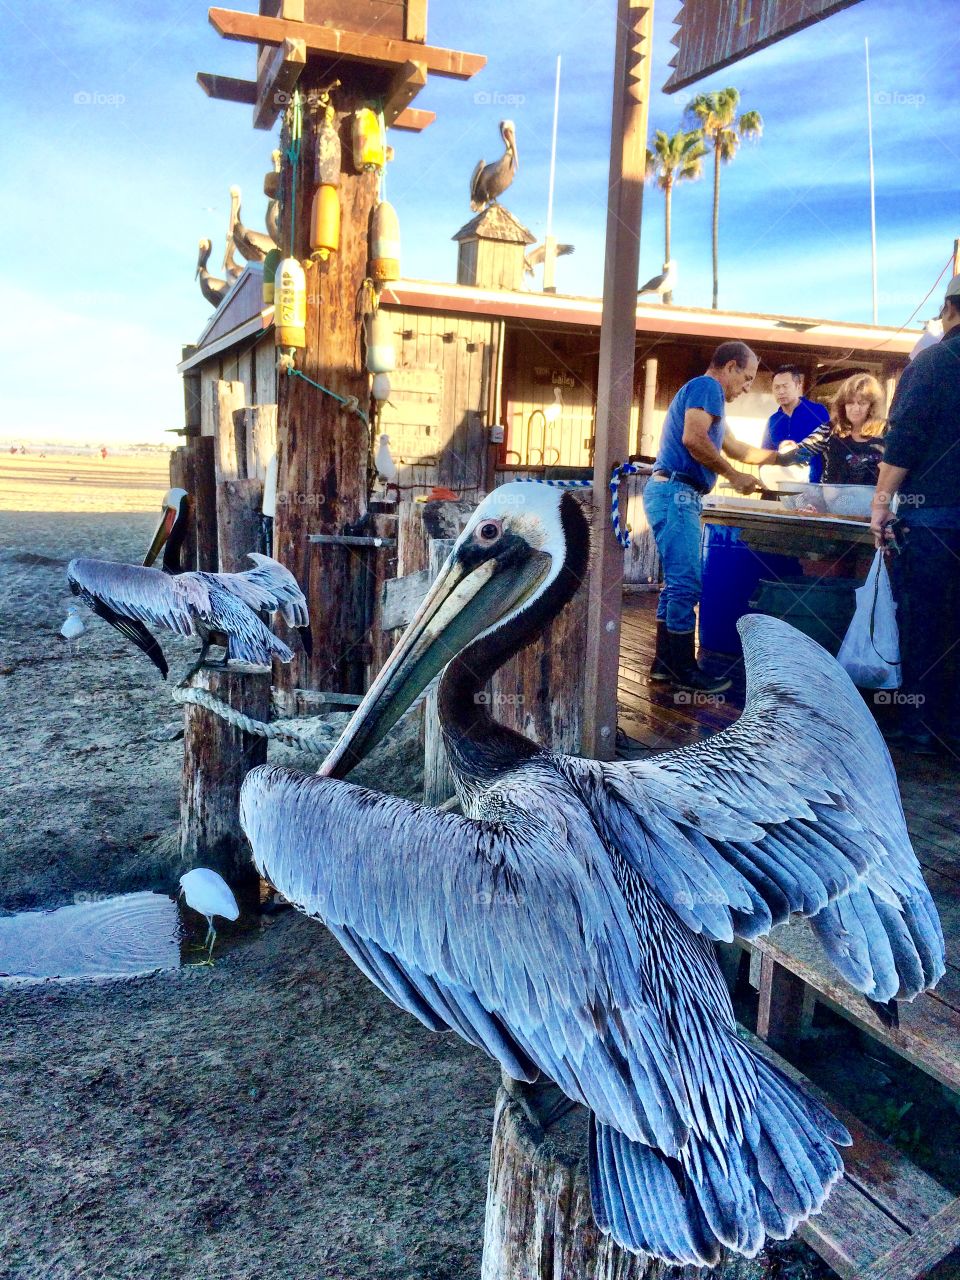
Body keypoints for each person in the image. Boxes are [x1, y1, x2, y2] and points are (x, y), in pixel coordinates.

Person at [643, 340, 780, 693]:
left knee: (675, 583)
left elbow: (737, 448)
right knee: (687, 583)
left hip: (671, 492)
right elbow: (693, 439)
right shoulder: (707, 387)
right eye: (747, 378)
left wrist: (783, 458)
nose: (748, 387)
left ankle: (663, 664)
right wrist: (734, 476)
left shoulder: (709, 399)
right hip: (678, 493)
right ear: (730, 366)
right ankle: (686, 672)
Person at [871, 273, 960, 754]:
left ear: (948, 310)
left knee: (927, 622)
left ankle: (921, 726)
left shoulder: (932, 364)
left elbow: (903, 440)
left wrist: (880, 506)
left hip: (937, 524)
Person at [777, 372, 887, 486]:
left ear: (872, 406)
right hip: (833, 499)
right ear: (842, 405)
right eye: (850, 403)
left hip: (873, 500)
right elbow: (803, 451)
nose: (856, 408)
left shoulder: (886, 431)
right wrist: (789, 449)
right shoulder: (829, 429)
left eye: (862, 403)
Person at [762, 365, 830, 482]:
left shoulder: (817, 411)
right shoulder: (773, 420)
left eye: (785, 386)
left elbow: (830, 446)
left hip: (813, 485)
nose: (781, 391)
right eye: (776, 387)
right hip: (780, 486)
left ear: (798, 386)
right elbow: (765, 453)